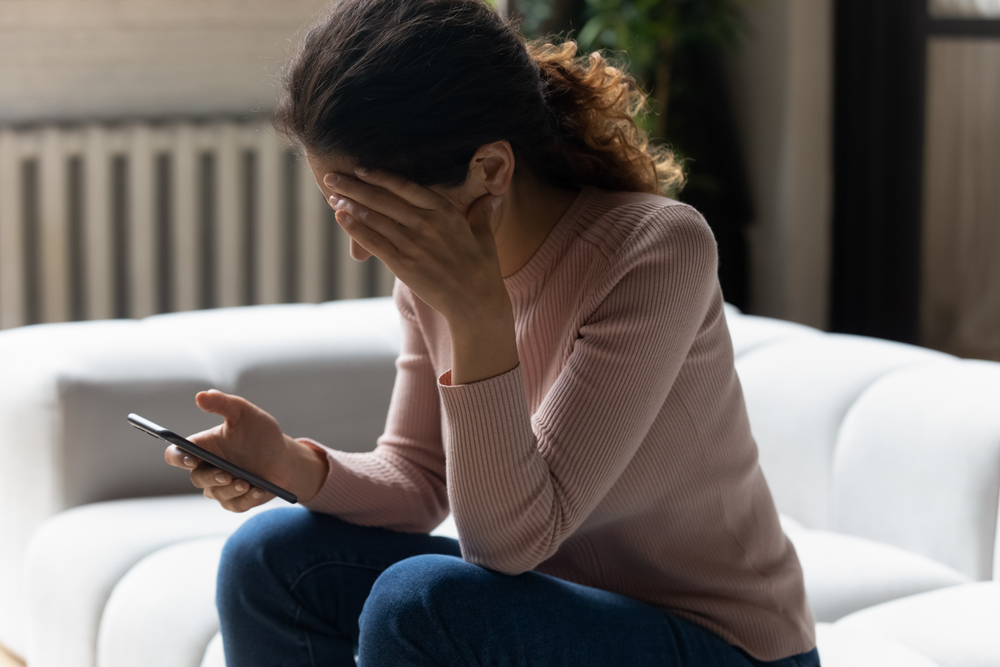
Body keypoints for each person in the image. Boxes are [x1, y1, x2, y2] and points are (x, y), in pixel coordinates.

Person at [164, 0, 820, 665]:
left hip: (722, 643)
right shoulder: (425, 276)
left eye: (373, 210)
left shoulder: (652, 251)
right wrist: (289, 464)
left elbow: (509, 543)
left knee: (420, 600)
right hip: (551, 609)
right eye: (341, 207)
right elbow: (420, 477)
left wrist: (479, 316)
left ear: (491, 171)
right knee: (272, 558)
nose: (361, 245)